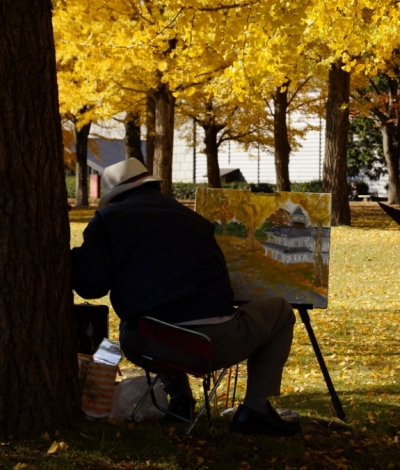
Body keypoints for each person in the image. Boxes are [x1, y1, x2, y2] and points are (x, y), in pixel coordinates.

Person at [71, 158, 300, 437]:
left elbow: (90, 287)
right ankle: (255, 409)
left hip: (146, 343)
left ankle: (180, 401)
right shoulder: (195, 220)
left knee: (155, 316)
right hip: (212, 345)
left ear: (114, 195)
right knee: (281, 311)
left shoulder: (109, 219)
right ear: (152, 186)